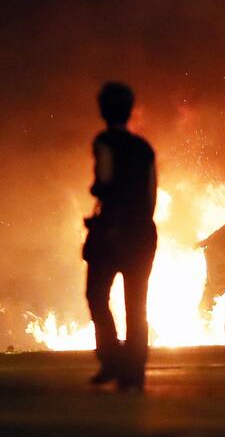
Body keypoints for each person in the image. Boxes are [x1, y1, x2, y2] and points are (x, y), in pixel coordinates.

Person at [83, 82, 157, 391]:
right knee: (136, 305)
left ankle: (112, 357)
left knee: (97, 296)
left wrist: (99, 192)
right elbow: (152, 192)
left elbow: (105, 180)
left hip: (113, 234)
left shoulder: (104, 141)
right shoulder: (144, 148)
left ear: (103, 110)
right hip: (142, 234)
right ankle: (134, 373)